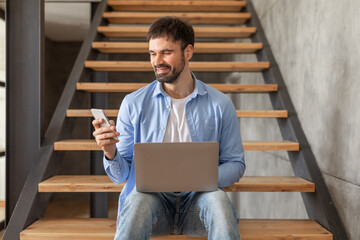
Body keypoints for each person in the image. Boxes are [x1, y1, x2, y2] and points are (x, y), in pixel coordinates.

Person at [92, 16, 246, 240]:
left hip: (198, 204)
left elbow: (236, 164)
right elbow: (121, 176)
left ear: (188, 52)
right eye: (152, 54)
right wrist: (109, 152)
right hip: (152, 209)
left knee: (219, 201)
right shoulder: (133, 104)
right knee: (136, 198)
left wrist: (200, 178)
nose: (157, 61)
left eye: (166, 52)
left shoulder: (220, 105)